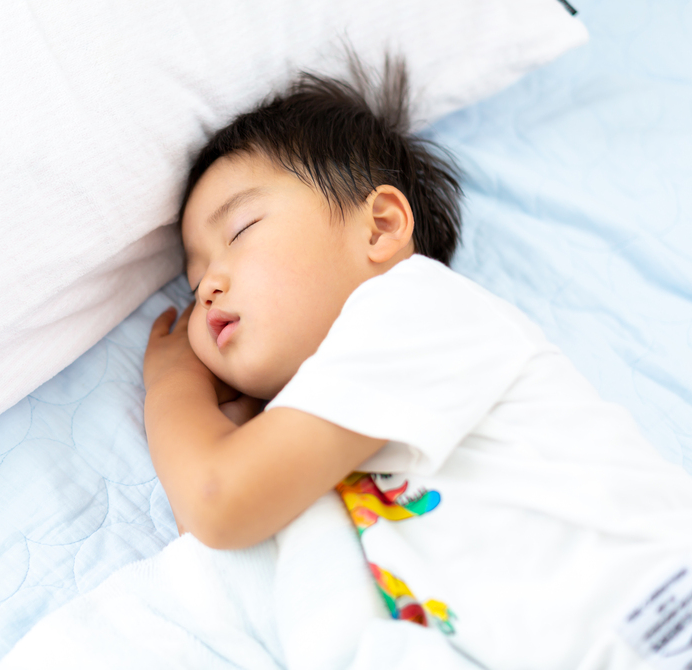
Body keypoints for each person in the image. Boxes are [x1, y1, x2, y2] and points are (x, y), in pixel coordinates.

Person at [142, 58, 692, 669]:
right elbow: (228, 545)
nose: (209, 286)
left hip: (654, 609)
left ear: (380, 227)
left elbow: (217, 498)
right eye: (193, 284)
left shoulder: (413, 308)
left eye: (241, 230)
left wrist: (173, 384)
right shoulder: (299, 437)